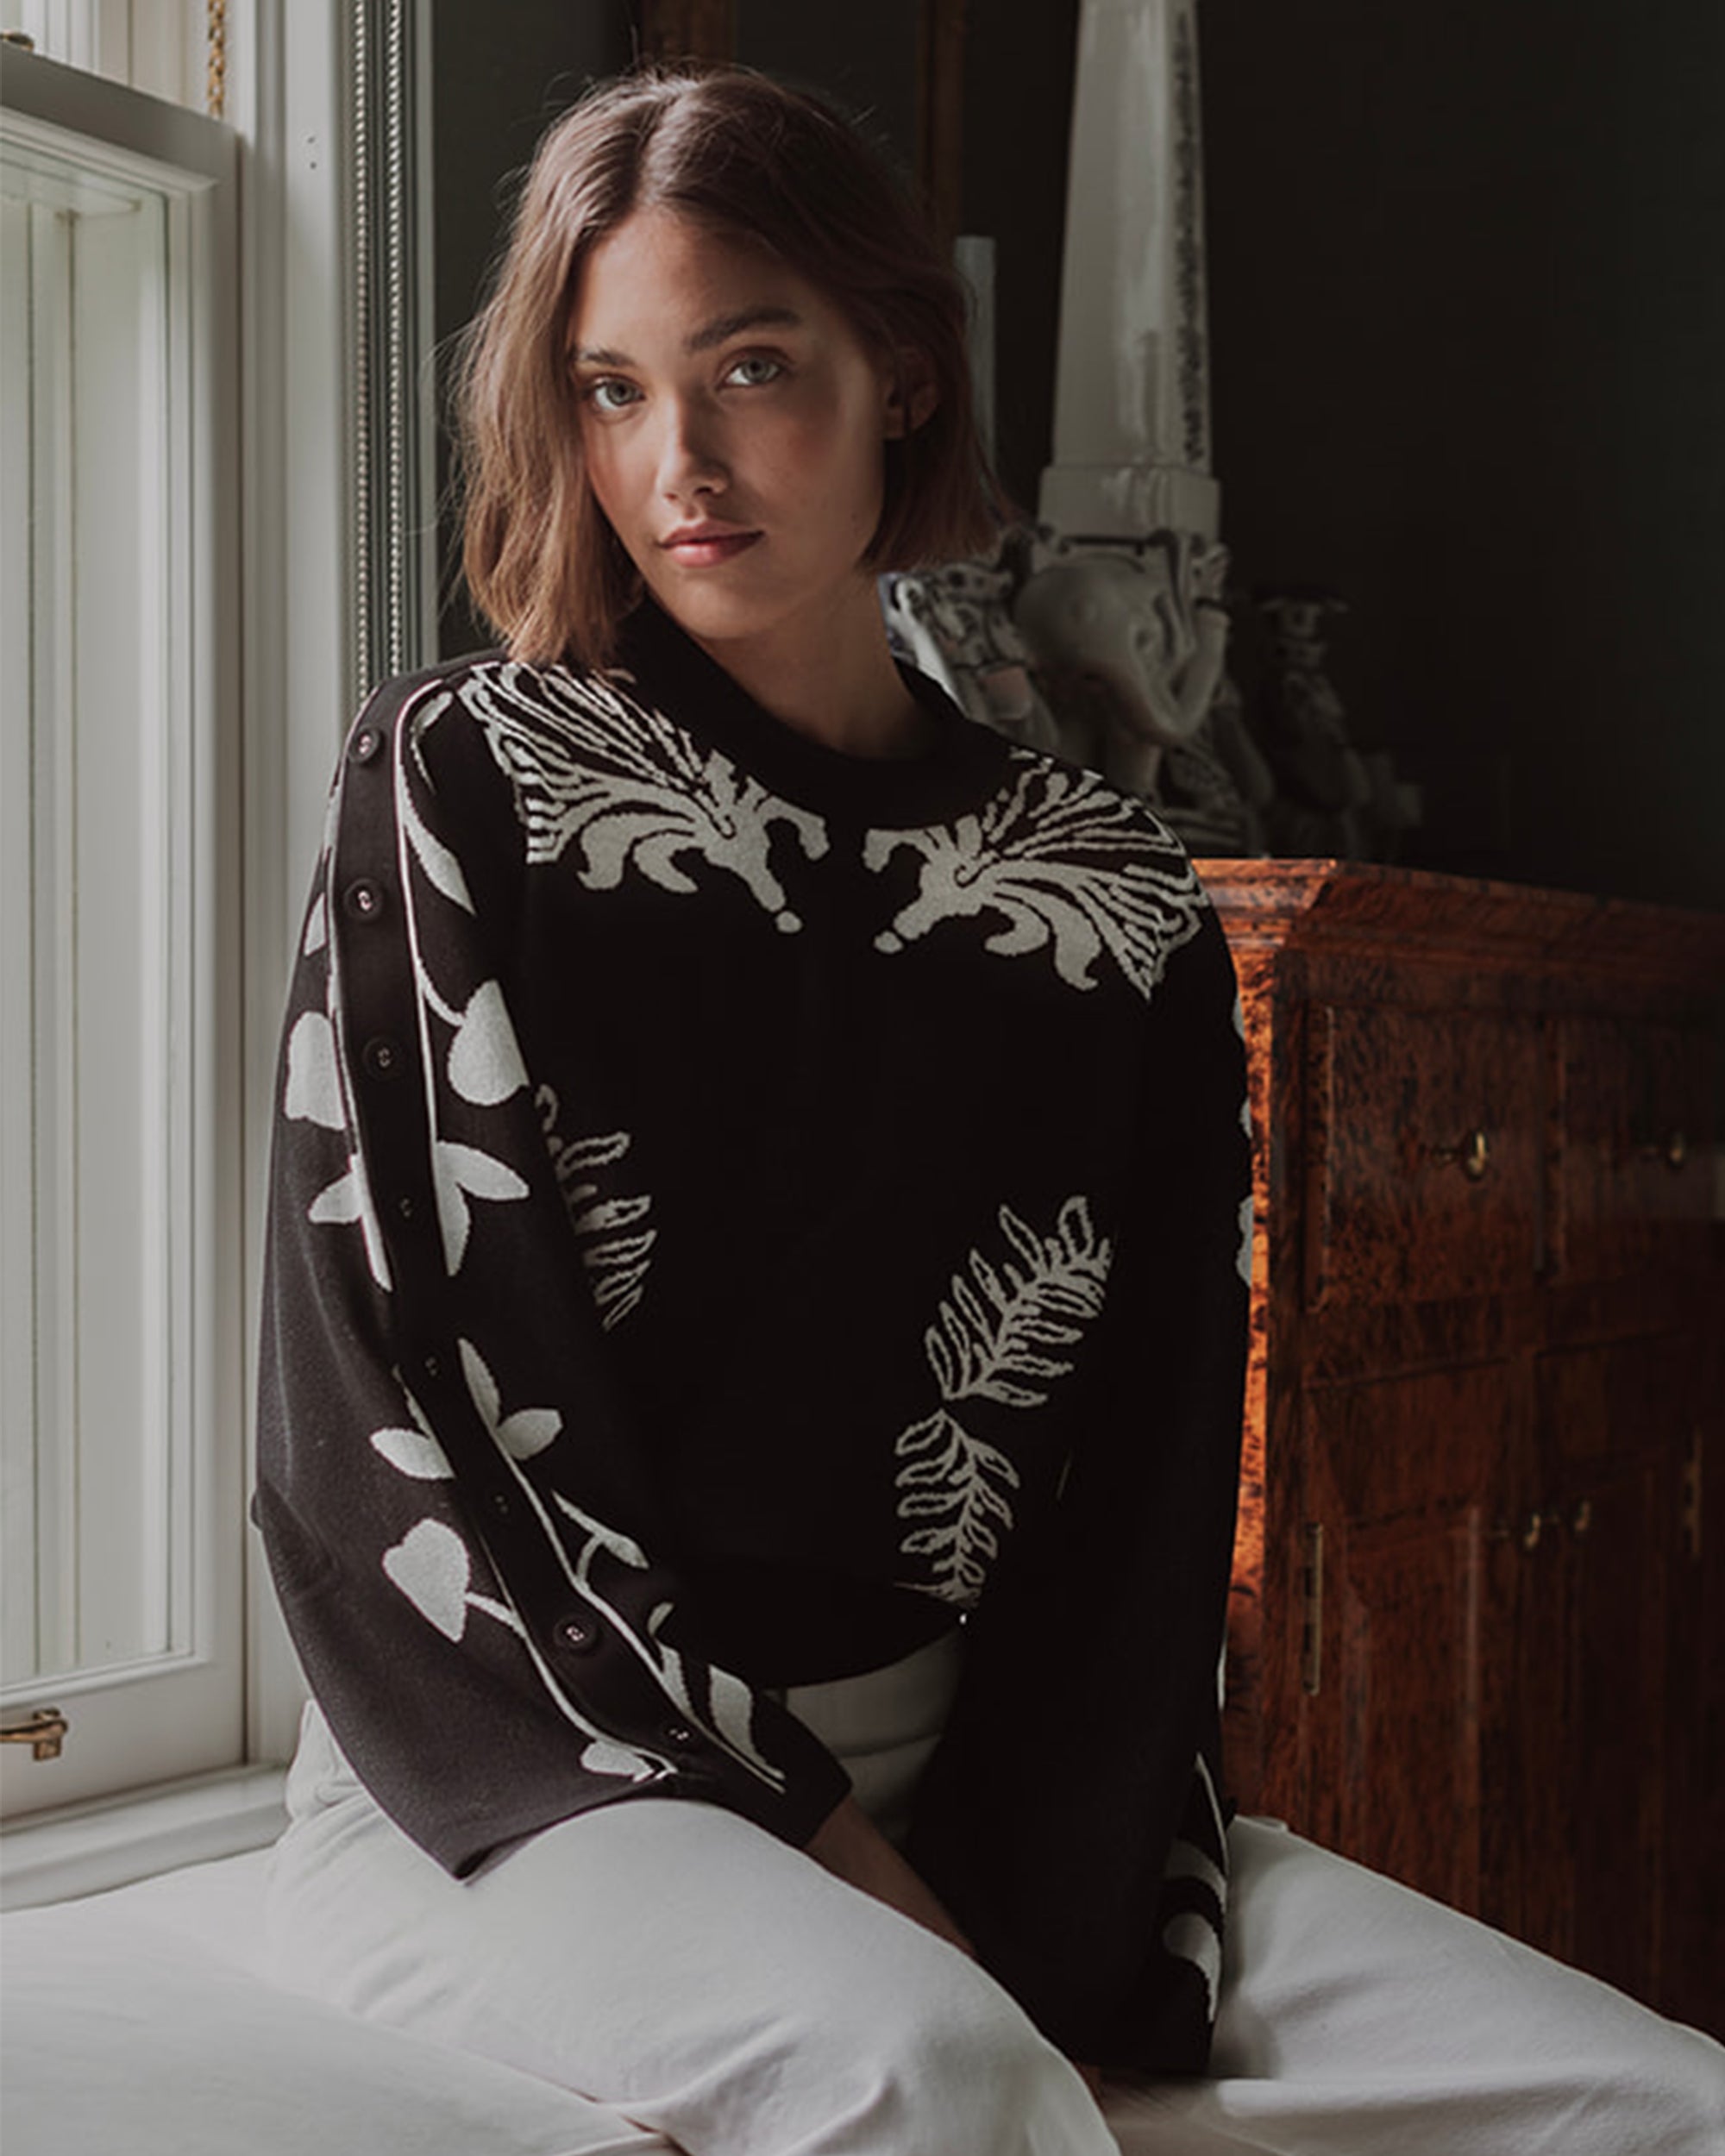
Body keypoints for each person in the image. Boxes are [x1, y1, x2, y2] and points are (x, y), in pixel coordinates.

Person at [256, 63, 1725, 2156]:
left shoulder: (1111, 895)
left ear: (903, 377)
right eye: (608, 389)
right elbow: (408, 1417)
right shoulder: (460, 779)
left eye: (751, 367)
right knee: (944, 2080)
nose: (677, 463)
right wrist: (867, 1883)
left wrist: (1051, 1897)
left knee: (1655, 2100)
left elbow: (1140, 1489)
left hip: (993, 1777)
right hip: (515, 1765)